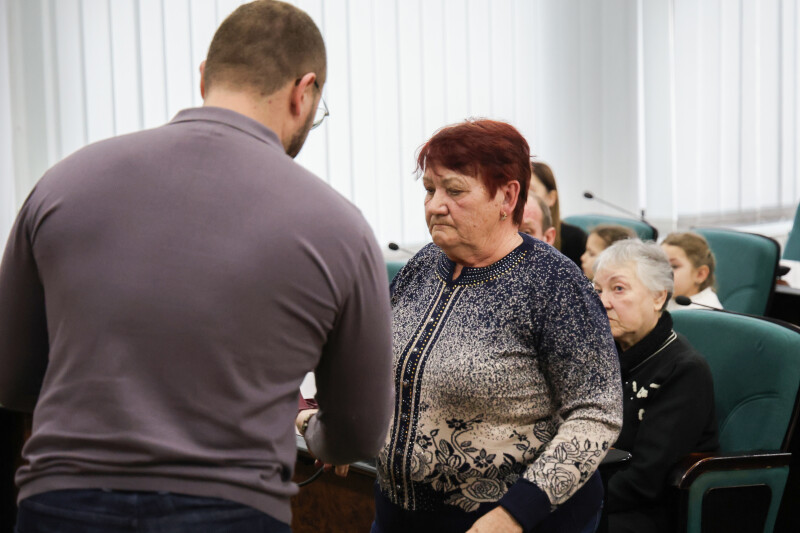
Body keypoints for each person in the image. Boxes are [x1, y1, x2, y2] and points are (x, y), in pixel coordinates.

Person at [0, 1, 393, 531]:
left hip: (61, 504)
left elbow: (13, 379)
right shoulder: (340, 227)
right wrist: (310, 431)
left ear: (205, 75)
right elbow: (359, 432)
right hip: (231, 512)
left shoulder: (61, 184)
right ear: (303, 92)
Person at [373, 119, 623, 533]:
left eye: (454, 191)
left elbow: (596, 414)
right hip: (399, 515)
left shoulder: (554, 284)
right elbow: (381, 362)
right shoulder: (421, 267)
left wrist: (514, 515)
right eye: (430, 190)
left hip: (515, 522)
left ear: (507, 196)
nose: (435, 205)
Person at [592, 240, 718, 533]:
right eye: (597, 290)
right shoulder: (598, 352)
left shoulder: (684, 370)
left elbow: (645, 481)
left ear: (658, 297)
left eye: (618, 289)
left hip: (647, 511)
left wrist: (560, 499)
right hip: (593, 490)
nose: (603, 301)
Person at [530, 160, 587, 265]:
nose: (523, 197)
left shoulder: (574, 239)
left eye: (531, 191)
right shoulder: (509, 235)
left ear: (551, 198)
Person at [661, 232, 722, 311]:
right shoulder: (669, 297)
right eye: (660, 264)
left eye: (674, 266)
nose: (662, 272)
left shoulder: (706, 311)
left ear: (700, 274)